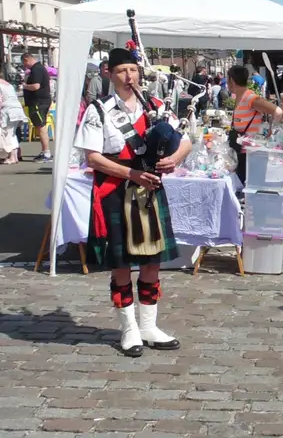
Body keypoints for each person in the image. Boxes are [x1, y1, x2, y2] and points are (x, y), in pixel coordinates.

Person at [75, 48, 193, 357]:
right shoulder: (98, 110)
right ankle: (129, 330)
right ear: (109, 75)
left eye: (133, 70)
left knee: (152, 262)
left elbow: (187, 139)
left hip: (149, 192)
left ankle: (149, 327)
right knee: (122, 264)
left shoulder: (155, 107)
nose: (129, 77)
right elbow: (93, 157)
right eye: (121, 71)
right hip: (115, 191)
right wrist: (132, 173)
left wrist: (175, 157)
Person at [226, 65, 282, 184]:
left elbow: (277, 111)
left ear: (231, 80)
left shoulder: (250, 98)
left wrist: (271, 133)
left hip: (250, 154)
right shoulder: (240, 97)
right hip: (241, 151)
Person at [20, 53, 52, 162]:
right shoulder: (38, 68)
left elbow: (36, 86)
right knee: (39, 126)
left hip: (39, 102)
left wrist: (25, 86)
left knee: (41, 126)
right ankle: (44, 151)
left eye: (24, 63)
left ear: (26, 60)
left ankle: (46, 153)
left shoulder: (37, 69)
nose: (25, 66)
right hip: (38, 102)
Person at [0, 76, 27, 164]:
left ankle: (12, 157)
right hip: (17, 109)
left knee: (7, 133)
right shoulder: (7, 84)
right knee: (12, 134)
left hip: (8, 110)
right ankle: (15, 156)